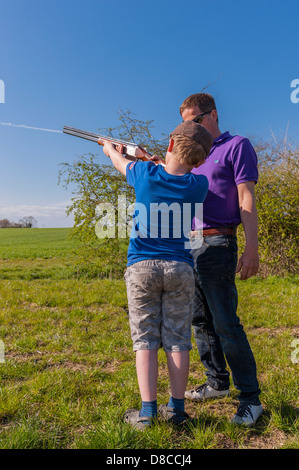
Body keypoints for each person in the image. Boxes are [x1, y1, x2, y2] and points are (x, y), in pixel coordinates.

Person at [98, 120, 213, 429]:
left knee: (145, 339)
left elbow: (120, 162)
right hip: (180, 267)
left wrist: (110, 148)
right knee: (178, 339)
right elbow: (175, 172)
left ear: (171, 145)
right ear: (201, 161)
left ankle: (147, 412)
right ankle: (177, 410)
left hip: (142, 268)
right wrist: (151, 159)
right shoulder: (198, 185)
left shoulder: (144, 174)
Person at [180, 93, 263, 426]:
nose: (191, 128)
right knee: (200, 321)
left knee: (226, 324)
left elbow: (246, 196)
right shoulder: (192, 152)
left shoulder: (237, 146)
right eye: (186, 123)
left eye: (195, 121)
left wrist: (252, 247)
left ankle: (250, 399)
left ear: (212, 115)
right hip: (188, 245)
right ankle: (216, 382)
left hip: (218, 243)